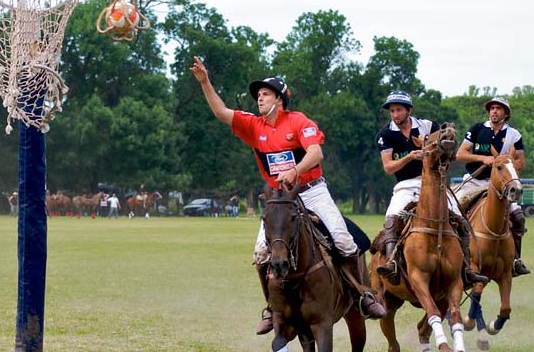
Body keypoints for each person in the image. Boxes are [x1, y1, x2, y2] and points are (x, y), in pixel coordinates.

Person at [189, 56, 386, 335]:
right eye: (258, 95)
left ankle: (362, 295)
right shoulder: (254, 125)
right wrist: (205, 82)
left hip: (312, 191)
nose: (259, 98)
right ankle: (272, 308)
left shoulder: (298, 121)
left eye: (265, 94)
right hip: (280, 200)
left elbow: (316, 153)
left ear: (279, 99)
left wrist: (295, 170)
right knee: (261, 253)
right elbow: (221, 112)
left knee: (343, 240)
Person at [374, 90, 489, 287]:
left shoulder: (427, 126)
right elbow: (388, 167)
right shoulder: (385, 135)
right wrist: (410, 157)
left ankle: (467, 268)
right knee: (392, 219)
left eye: (399, 110)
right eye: (392, 111)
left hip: (435, 183)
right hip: (406, 185)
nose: (395, 114)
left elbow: (446, 151)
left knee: (460, 219)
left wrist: (446, 143)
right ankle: (392, 263)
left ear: (409, 110)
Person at [454, 97, 531, 277]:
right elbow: (460, 154)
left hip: (499, 186)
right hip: (474, 181)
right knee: (453, 211)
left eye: (498, 108)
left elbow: (520, 161)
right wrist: (482, 158)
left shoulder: (514, 135)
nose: (494, 111)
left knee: (518, 218)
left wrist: (506, 164)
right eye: (492, 108)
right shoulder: (477, 129)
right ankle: (456, 256)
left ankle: (516, 260)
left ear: (506, 113)